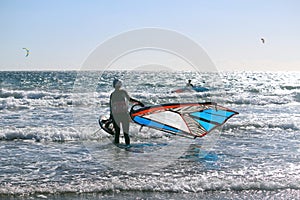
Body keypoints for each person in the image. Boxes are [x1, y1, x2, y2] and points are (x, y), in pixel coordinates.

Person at [109, 79, 144, 145]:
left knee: (117, 133)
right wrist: (139, 102)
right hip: (124, 114)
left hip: (116, 115)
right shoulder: (123, 92)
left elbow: (111, 106)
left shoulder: (112, 94)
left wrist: (111, 116)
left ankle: (117, 148)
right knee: (126, 133)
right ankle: (127, 146)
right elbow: (130, 99)